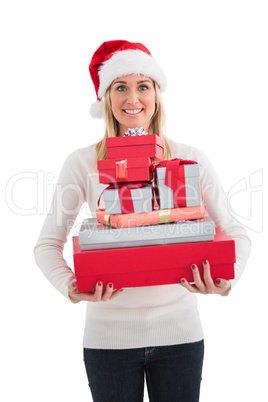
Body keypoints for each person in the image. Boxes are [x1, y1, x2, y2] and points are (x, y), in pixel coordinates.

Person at [34, 40, 251, 402]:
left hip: (180, 336)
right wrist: (71, 288)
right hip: (108, 339)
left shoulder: (189, 158)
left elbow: (236, 232)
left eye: (143, 86)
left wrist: (227, 281)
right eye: (121, 86)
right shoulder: (83, 163)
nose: (132, 98)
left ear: (156, 95)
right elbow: (47, 244)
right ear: (106, 98)